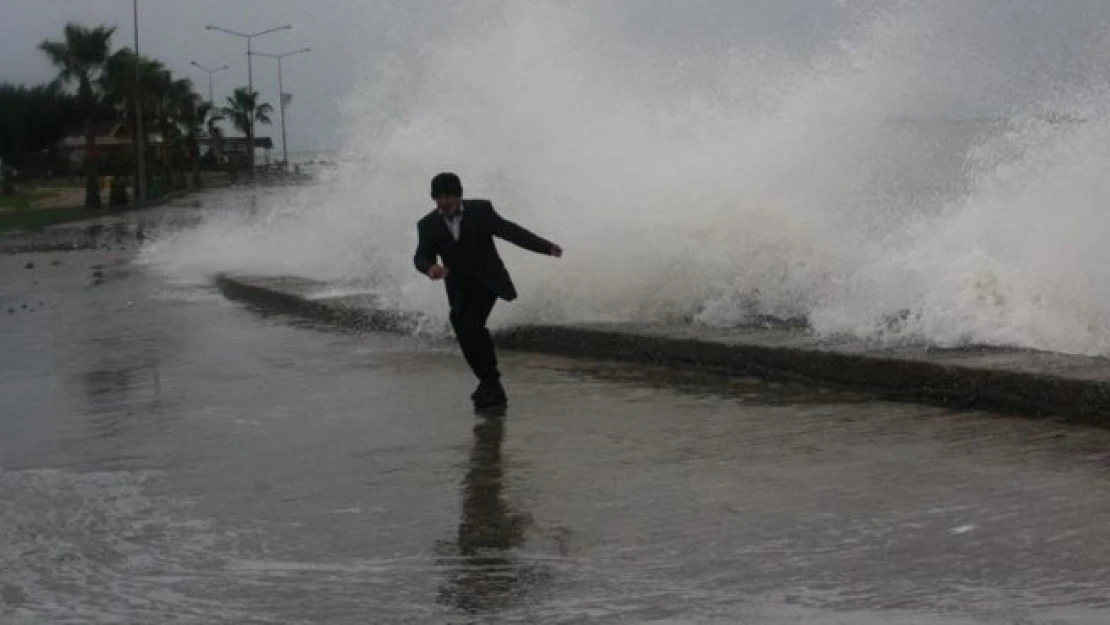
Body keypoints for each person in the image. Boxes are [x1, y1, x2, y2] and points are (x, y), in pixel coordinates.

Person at [414, 172, 562, 410]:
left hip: (488, 281)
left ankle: (490, 382)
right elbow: (421, 256)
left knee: (472, 325)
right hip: (459, 286)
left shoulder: (481, 210)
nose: (444, 202)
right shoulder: (428, 225)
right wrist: (430, 267)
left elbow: (510, 232)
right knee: (462, 329)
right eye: (439, 198)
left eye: (448, 196)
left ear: (458, 194)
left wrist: (546, 247)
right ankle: (488, 382)